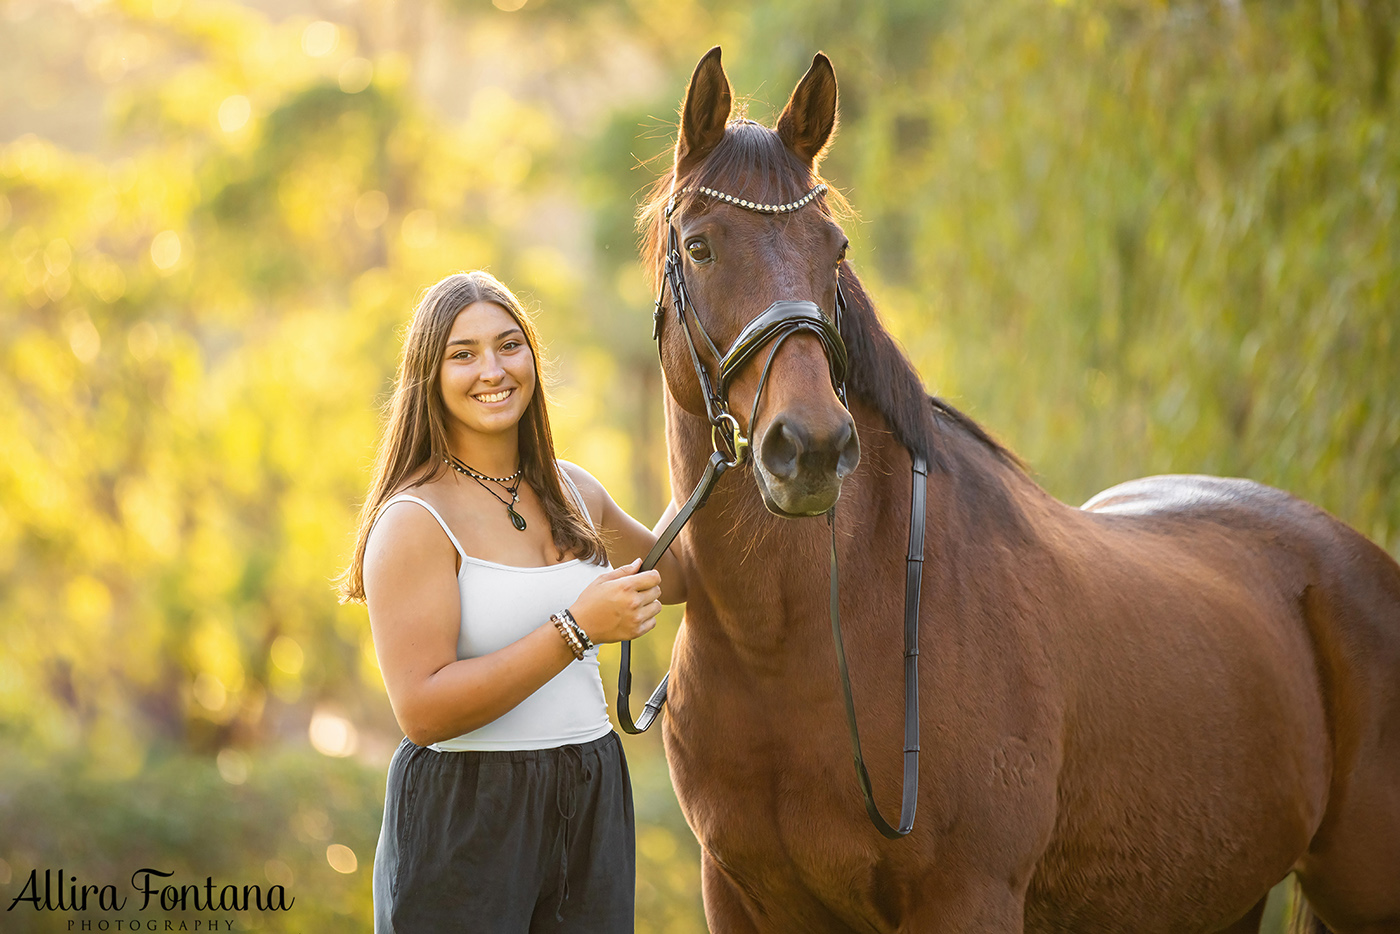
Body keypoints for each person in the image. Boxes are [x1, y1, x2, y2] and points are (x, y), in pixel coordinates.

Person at [337, 270, 685, 933]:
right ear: (429, 377)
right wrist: (576, 630)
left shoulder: (573, 490)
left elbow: (680, 576)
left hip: (590, 793)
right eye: (462, 354)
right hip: (469, 814)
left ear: (532, 357)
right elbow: (423, 711)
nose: (491, 369)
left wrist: (714, 442)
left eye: (508, 345)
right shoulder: (414, 519)